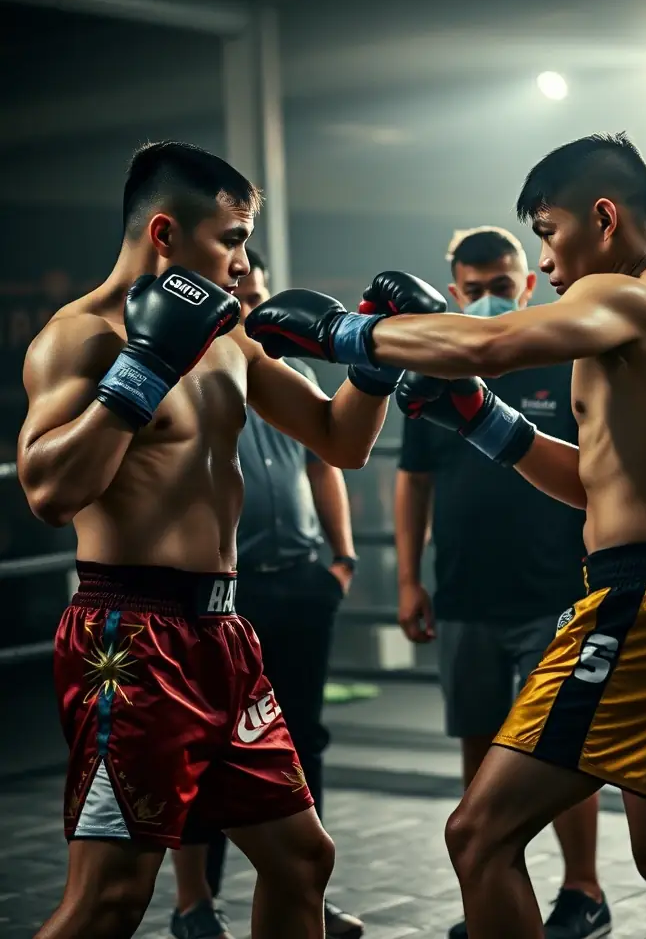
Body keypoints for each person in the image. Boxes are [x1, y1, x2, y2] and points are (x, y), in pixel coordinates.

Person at [245, 132, 646, 939]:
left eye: (551, 236)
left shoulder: (634, 299)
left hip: (644, 606)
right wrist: (485, 420)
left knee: (478, 834)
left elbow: (488, 341)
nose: (549, 268)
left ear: (604, 216)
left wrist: (343, 335)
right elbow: (596, 485)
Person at [16, 140, 443, 939]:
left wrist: (377, 362)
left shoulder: (228, 339)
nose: (245, 262)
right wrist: (143, 368)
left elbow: (336, 439)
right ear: (166, 235)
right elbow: (47, 491)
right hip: (131, 637)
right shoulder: (80, 338)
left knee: (300, 860)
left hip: (223, 634)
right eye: (233, 238)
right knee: (108, 899)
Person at [395, 226, 610, 939]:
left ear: (525, 283)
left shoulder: (561, 358)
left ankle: (582, 891)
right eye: (474, 287)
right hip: (463, 588)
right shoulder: (440, 369)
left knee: (561, 751)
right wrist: (407, 579)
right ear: (454, 290)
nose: (489, 297)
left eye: (502, 282)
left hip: (555, 589)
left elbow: (597, 470)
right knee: (479, 744)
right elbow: (412, 481)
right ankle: (490, 890)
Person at [170, 251, 364, 939]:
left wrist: (338, 560)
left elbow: (327, 462)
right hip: (223, 592)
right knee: (206, 745)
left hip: (299, 583)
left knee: (301, 740)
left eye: (256, 295)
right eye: (236, 294)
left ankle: (302, 889)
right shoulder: (189, 374)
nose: (247, 306)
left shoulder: (292, 375)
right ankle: (196, 902)